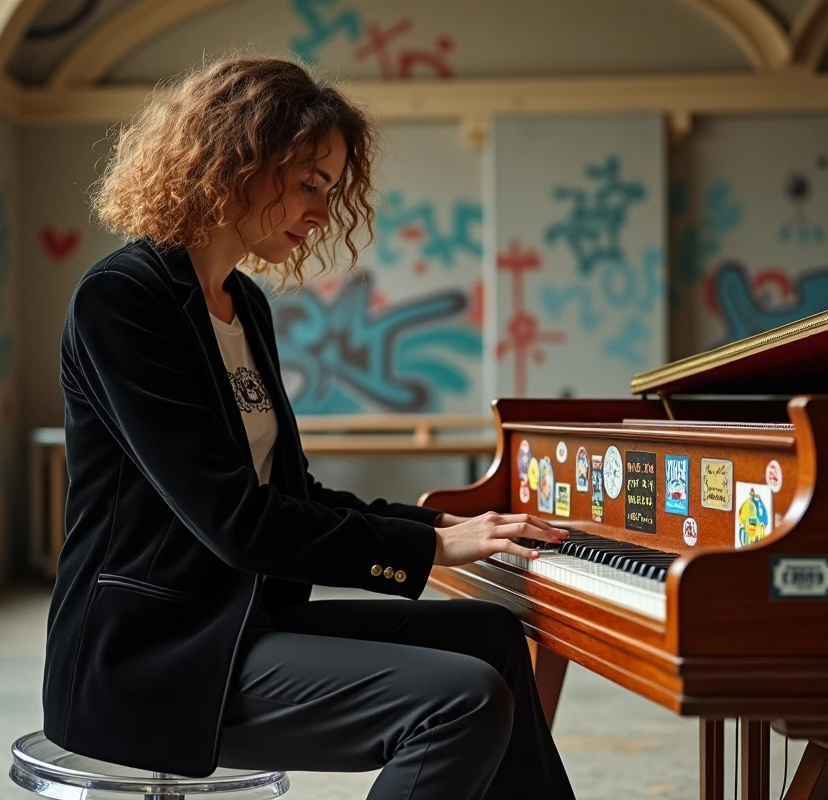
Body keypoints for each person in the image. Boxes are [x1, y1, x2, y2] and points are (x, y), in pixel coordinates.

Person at [41, 54, 577, 800]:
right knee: (462, 701)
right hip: (154, 656)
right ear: (235, 161)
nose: (322, 214)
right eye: (308, 185)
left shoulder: (242, 305)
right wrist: (425, 547)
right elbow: (235, 520)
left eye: (328, 191)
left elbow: (291, 491)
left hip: (244, 622)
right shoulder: (122, 302)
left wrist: (442, 523)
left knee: (490, 635)